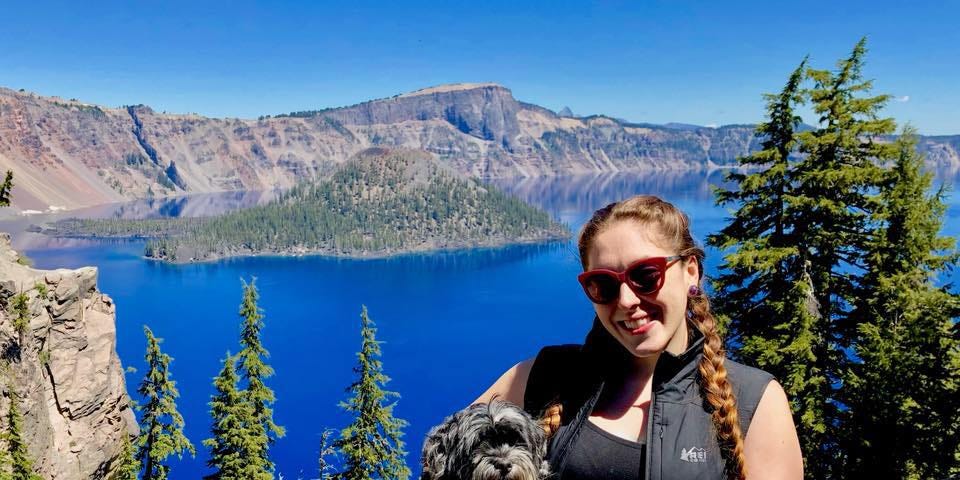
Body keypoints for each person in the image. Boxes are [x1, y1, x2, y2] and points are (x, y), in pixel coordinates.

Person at [474, 195, 803, 480]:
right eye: (603, 284)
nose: (627, 301)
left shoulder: (754, 400)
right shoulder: (544, 375)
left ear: (691, 272)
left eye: (646, 275)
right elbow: (445, 454)